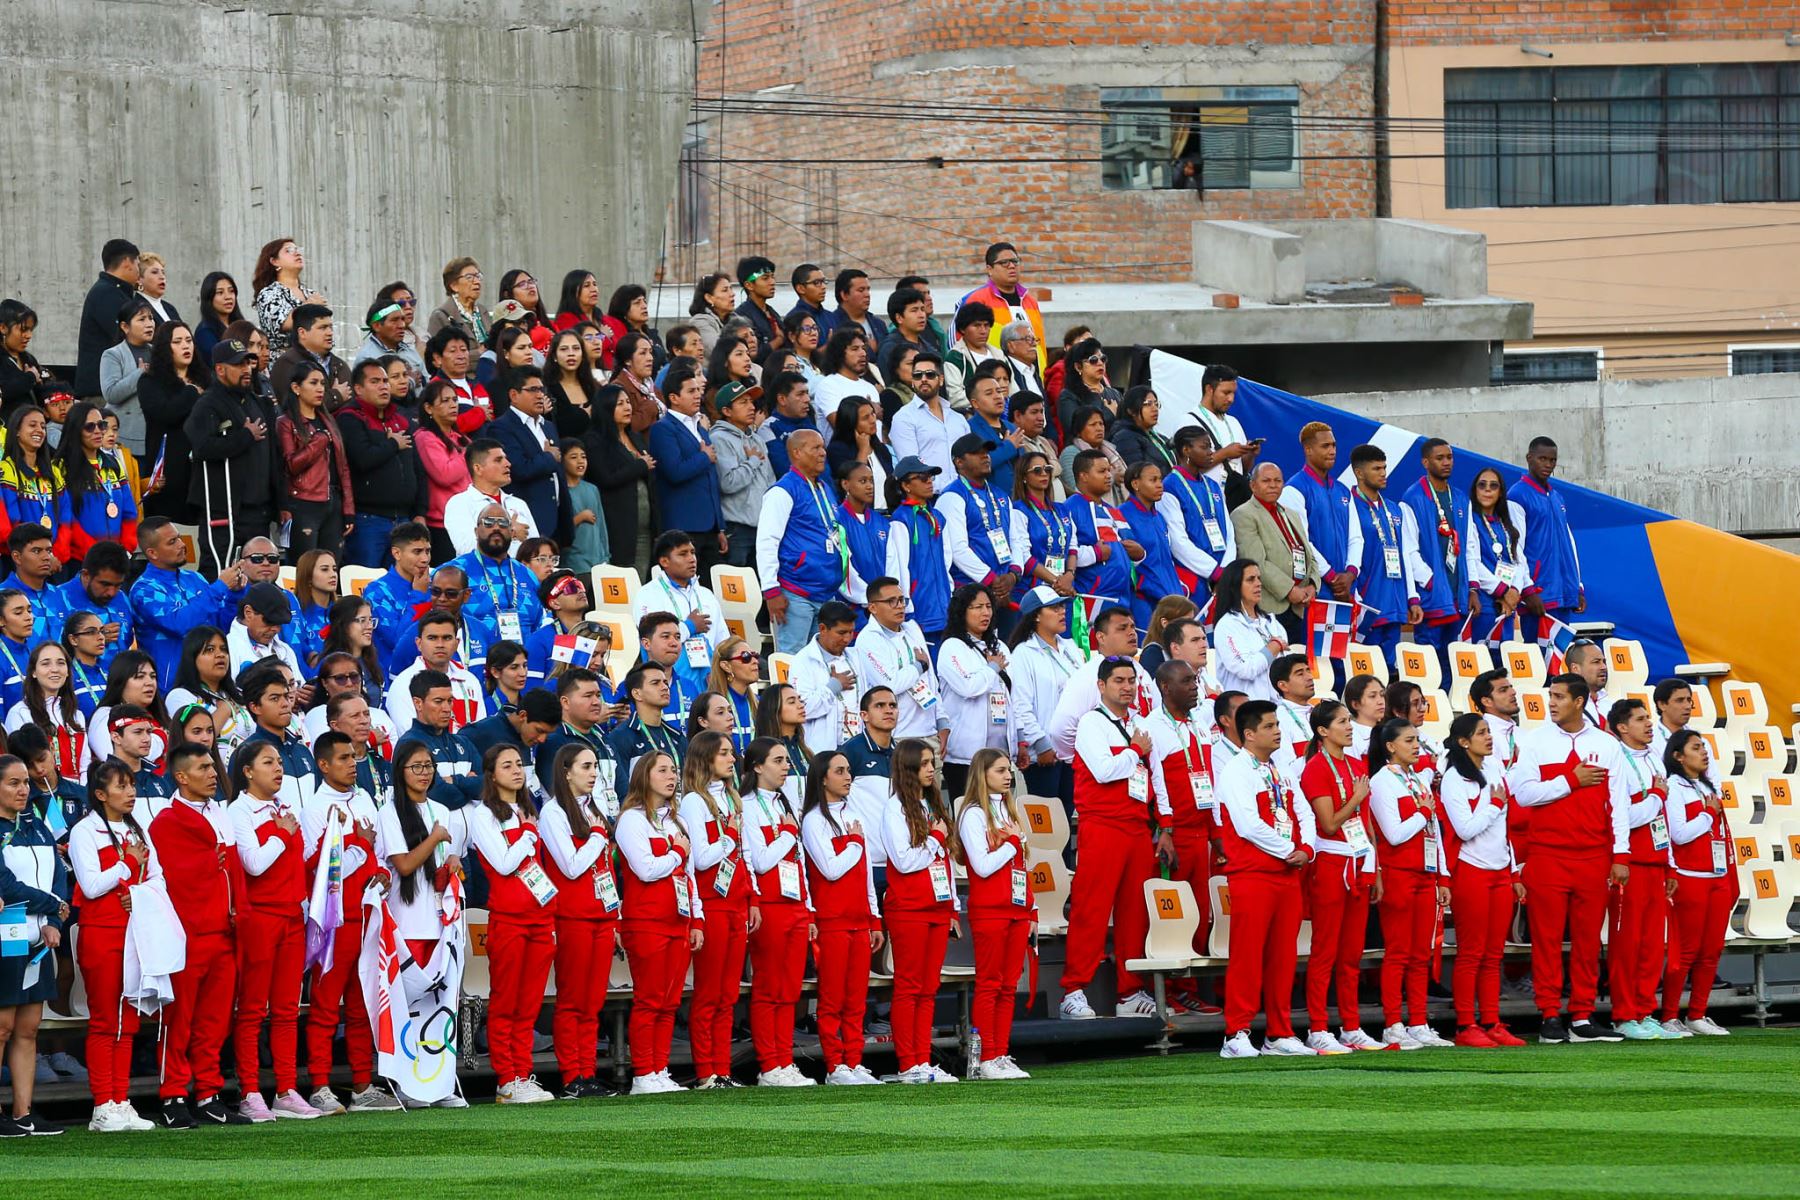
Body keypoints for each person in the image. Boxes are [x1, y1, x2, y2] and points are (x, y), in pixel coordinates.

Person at [1506, 673, 1631, 1044]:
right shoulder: (1534, 742)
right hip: (1547, 855)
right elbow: (1523, 794)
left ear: (1580, 701)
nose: (1552, 702)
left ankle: (1582, 1015)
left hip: (1594, 856)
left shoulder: (1607, 745)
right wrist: (1570, 781)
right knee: (1545, 939)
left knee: (1588, 940)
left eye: (1559, 696)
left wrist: (1620, 854)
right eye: (1551, 696)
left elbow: (1619, 804)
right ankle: (1548, 1015)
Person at [149, 742, 249, 1127]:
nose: (213, 773)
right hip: (187, 937)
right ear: (181, 776)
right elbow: (174, 877)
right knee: (179, 1021)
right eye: (204, 767)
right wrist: (213, 861)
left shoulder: (220, 812)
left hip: (224, 931)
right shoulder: (166, 821)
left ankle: (208, 1092)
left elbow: (232, 870)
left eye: (213, 766)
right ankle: (173, 1095)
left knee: (215, 1020)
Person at [1057, 657, 1159, 1021]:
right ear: (1101, 686)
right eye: (1119, 680)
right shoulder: (1091, 723)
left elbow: (1154, 775)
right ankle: (1073, 989)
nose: (1127, 687)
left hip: (1136, 826)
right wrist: (1134, 751)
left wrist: (1166, 823)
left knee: (1135, 912)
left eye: (1131, 680)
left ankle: (1129, 992)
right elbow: (1102, 771)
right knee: (1092, 909)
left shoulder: (1139, 723)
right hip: (1102, 825)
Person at [1215, 699, 1318, 1058]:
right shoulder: (1235, 772)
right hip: (1253, 874)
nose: (1278, 731)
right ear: (1249, 734)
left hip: (1287, 874)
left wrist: (1307, 848)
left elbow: (1303, 811)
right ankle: (1236, 1033)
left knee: (1283, 957)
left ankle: (1279, 1032)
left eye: (1278, 725)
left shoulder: (1282, 769)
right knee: (1247, 955)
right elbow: (1247, 825)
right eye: (1271, 726)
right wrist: (1292, 848)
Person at [68, 760, 161, 1132]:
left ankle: (121, 1100)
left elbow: (159, 878)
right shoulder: (84, 831)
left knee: (129, 1019)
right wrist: (126, 865)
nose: (131, 792)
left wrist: (137, 893)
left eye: (132, 785)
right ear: (100, 794)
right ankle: (102, 1104)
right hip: (102, 932)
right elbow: (90, 886)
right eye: (121, 786)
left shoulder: (139, 830)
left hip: (134, 933)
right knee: (106, 1020)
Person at [462, 743, 557, 1103]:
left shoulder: (528, 809)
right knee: (506, 1001)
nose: (516, 770)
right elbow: (502, 863)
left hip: (539, 916)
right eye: (507, 765)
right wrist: (529, 834)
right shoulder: (484, 815)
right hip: (509, 918)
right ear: (492, 774)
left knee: (530, 1002)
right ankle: (507, 1078)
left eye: (519, 764)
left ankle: (523, 1071)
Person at [1294, 700, 1382, 1052]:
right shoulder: (1315, 768)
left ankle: (1351, 1026)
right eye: (1342, 722)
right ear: (1322, 731)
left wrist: (1375, 869)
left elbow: (1367, 822)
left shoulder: (1356, 764)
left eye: (1349, 720)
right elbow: (1329, 824)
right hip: (1331, 864)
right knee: (1325, 951)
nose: (1349, 727)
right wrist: (1357, 795)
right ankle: (1318, 1027)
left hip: (1359, 863)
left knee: (1351, 954)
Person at [1436, 712, 1527, 1047]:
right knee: (1472, 952)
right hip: (1471, 870)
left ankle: (1491, 1021)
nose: (1489, 737)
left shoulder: (1494, 769)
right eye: (1481, 733)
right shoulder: (1453, 779)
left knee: (1494, 953)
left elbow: (1503, 827)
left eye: (1489, 732)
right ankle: (1464, 1025)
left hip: (1499, 870)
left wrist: (1514, 870)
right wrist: (1494, 804)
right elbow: (1464, 829)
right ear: (1463, 741)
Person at [613, 750, 701, 1094]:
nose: (672, 776)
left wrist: (697, 920)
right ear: (644, 776)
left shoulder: (677, 821)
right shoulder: (632, 820)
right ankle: (643, 1073)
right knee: (649, 999)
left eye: (674, 770)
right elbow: (646, 870)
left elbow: (689, 877)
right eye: (662, 770)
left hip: (678, 921)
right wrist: (678, 852)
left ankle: (659, 1068)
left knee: (670, 1000)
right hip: (647, 921)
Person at [535, 743, 618, 1099]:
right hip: (573, 915)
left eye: (595, 766)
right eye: (585, 767)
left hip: (601, 914)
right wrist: (598, 837)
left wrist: (615, 913)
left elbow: (606, 869)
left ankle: (588, 1070)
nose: (593, 773)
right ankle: (572, 1075)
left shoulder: (592, 809)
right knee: (572, 998)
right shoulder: (554, 813)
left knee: (594, 998)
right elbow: (570, 866)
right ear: (565, 771)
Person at [1365, 718, 1453, 1050]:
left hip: (1425, 876)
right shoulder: (1381, 782)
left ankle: (1418, 1021)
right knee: (1398, 953)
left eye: (1417, 740)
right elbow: (1394, 833)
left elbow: (1435, 834)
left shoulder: (1417, 779)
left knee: (1421, 954)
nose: (1416, 746)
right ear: (1390, 746)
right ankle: (1393, 1024)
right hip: (1399, 875)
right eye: (1409, 741)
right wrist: (1422, 812)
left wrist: (1442, 876)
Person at [1142, 659, 1222, 1017]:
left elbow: (1209, 780)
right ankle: (1171, 988)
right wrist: (1166, 830)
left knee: (1201, 915)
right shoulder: (1152, 728)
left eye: (1196, 679)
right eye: (1187, 680)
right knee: (1174, 915)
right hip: (1174, 835)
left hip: (1201, 831)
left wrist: (1217, 834)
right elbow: (1155, 785)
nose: (1195, 686)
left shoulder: (1200, 723)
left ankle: (1187, 987)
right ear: (1164, 686)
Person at [879, 738, 959, 1083]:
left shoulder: (931, 805)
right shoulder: (895, 808)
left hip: (937, 906)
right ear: (909, 769)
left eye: (932, 763)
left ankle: (922, 1060)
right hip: (909, 907)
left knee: (929, 987)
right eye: (924, 764)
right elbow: (905, 860)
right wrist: (936, 838)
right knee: (909, 985)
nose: (931, 769)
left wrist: (953, 905)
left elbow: (944, 863)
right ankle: (907, 1062)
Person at [801, 749, 884, 1085]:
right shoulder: (813, 820)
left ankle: (854, 1060)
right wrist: (853, 843)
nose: (848, 776)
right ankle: (835, 1066)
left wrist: (874, 917)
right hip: (832, 920)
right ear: (823, 778)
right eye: (840, 771)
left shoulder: (854, 815)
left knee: (856, 998)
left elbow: (864, 873)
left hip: (858, 920)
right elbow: (830, 869)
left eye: (849, 770)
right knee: (833, 998)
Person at [735, 739, 815, 1086]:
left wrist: (809, 909)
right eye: (778, 760)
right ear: (756, 767)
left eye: (786, 760)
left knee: (791, 988)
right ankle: (770, 1064)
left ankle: (785, 1060)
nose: (786, 766)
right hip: (768, 907)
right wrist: (786, 833)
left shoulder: (786, 803)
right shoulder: (747, 806)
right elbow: (762, 861)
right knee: (769, 987)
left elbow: (797, 862)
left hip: (796, 904)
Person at [0, 751, 71, 1136]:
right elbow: (5, 886)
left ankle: (22, 1112)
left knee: (28, 1028)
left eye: (25, 781)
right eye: (13, 783)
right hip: (5, 937)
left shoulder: (37, 825)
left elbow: (58, 872)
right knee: (2, 1026)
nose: (23, 789)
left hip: (39, 938)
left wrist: (53, 917)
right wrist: (54, 906)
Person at [677, 731, 752, 1088]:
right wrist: (728, 834)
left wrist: (751, 898)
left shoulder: (733, 799)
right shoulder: (694, 801)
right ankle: (706, 1071)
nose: (732, 759)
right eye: (725, 753)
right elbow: (702, 858)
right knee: (709, 993)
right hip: (712, 905)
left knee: (728, 993)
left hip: (736, 903)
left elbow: (743, 855)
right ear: (706, 757)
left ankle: (723, 1068)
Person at [1599, 698, 1672, 1041]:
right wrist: (1656, 797)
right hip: (1630, 864)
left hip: (1655, 862)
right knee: (1626, 944)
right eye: (1641, 719)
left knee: (1651, 945)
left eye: (1649, 719)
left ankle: (1645, 1010)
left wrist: (1670, 864)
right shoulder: (1619, 762)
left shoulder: (1654, 757)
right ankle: (1624, 1014)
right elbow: (1624, 817)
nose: (1649, 725)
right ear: (1622, 727)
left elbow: (1662, 820)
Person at [1658, 729, 1735, 1039]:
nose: (1704, 753)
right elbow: (1679, 834)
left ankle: (1698, 1014)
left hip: (1716, 876)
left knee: (1712, 950)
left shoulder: (1706, 787)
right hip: (1690, 877)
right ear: (1678, 756)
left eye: (1704, 747)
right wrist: (1708, 813)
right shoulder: (1674, 788)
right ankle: (1668, 1016)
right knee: (1685, 952)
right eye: (1696, 748)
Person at [186, 339, 282, 575]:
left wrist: (281, 503)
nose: (247, 369)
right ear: (220, 369)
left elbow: (274, 456)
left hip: (259, 511)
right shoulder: (208, 403)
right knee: (220, 570)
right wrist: (245, 437)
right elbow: (202, 447)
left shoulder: (257, 402)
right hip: (225, 511)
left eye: (248, 363)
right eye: (238, 365)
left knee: (257, 575)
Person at [756, 428, 848, 653]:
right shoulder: (782, 492)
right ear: (796, 453)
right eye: (815, 448)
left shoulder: (824, 487)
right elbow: (767, 541)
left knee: (821, 660)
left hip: (826, 593)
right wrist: (771, 590)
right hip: (795, 592)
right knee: (792, 659)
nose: (822, 453)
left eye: (823, 447)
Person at [337, 360, 421, 569]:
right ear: (358, 388)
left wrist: (420, 511)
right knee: (366, 582)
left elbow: (417, 469)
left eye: (385, 381)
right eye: (375, 381)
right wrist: (392, 444)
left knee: (401, 584)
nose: (383, 386)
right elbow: (362, 459)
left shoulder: (401, 420)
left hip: (403, 519)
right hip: (369, 520)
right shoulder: (350, 418)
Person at [1342, 444, 1422, 661]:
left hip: (1394, 601)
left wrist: (1412, 598)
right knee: (1365, 667)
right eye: (1376, 468)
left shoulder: (1394, 508)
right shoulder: (1349, 505)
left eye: (1384, 468)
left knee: (1389, 668)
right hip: (1368, 601)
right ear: (1359, 473)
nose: (1383, 474)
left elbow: (1404, 553)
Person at [853, 575, 951, 751]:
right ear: (873, 607)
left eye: (901, 600)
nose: (899, 606)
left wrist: (942, 721)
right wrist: (918, 667)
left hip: (929, 733)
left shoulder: (912, 629)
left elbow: (931, 680)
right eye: (891, 601)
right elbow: (889, 685)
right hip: (897, 736)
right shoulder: (867, 639)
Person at [936, 584, 1016, 800]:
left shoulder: (999, 647)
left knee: (1000, 820)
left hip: (1001, 754)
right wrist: (992, 669)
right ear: (962, 611)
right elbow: (968, 687)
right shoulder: (952, 647)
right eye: (977, 607)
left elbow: (1012, 696)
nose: (985, 613)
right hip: (965, 756)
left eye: (989, 606)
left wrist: (1021, 740)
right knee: (969, 817)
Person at [1230, 462, 1322, 644]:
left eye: (1278, 481)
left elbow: (1309, 554)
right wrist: (1289, 590)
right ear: (1253, 485)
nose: (1273, 485)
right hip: (1268, 605)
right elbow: (1255, 562)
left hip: (1299, 606)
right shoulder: (1243, 514)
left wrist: (1312, 584)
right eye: (1266, 481)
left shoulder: (1291, 514)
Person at [1398, 439, 1472, 659]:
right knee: (1431, 657)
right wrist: (1431, 581)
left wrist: (1472, 588)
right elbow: (1409, 549)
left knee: (1457, 659)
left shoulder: (1459, 497)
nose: (1446, 462)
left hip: (1459, 592)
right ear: (1425, 462)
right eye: (1440, 458)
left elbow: (1469, 546)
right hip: (1433, 595)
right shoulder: (1413, 497)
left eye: (1449, 457)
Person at [1005, 587, 1081, 799]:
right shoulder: (1023, 654)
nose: (1062, 611)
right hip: (1044, 755)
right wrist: (1041, 744)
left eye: (1062, 606)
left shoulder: (1070, 648)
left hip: (1073, 750)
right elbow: (1021, 706)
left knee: (1067, 815)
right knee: (1048, 824)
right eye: (1054, 607)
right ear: (1036, 615)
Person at [1513, 436, 1585, 635]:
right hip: (1539, 595)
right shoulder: (1517, 496)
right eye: (1542, 459)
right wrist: (1528, 590)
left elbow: (1568, 543)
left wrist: (1576, 586)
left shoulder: (1556, 497)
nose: (1548, 464)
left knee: (1559, 661)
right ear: (1529, 458)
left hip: (1563, 593)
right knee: (1539, 660)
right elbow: (1515, 548)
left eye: (1552, 460)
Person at [1278, 421, 1356, 600]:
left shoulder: (1342, 490)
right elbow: (1299, 540)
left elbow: (1355, 538)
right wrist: (1330, 576)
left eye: (1334, 445)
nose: (1332, 451)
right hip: (1316, 588)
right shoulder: (1294, 489)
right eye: (1325, 446)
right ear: (1308, 449)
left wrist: (1350, 574)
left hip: (1346, 587)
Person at [1159, 427, 1236, 607]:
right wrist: (1214, 571)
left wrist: (1226, 568)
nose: (1211, 452)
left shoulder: (1213, 485)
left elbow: (1229, 531)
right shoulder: (1170, 486)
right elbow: (1177, 541)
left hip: (1222, 575)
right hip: (1193, 576)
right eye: (1204, 447)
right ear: (1186, 450)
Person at [55, 400, 138, 556]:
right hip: (81, 558)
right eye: (89, 427)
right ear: (75, 430)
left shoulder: (114, 463)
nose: (98, 431)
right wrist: (94, 552)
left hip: (116, 557)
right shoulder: (60, 466)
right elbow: (66, 517)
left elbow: (129, 511)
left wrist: (126, 548)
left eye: (102, 425)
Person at [46, 541, 136, 670]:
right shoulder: (58, 599)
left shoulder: (121, 598)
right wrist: (92, 637)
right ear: (86, 575)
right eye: (105, 584)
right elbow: (50, 651)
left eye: (118, 585)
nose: (112, 592)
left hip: (119, 684)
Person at [888, 350, 969, 491]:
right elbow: (911, 465)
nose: (923, 379)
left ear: (941, 379)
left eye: (930, 374)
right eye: (918, 376)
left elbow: (969, 459)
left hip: (965, 494)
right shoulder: (903, 418)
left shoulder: (958, 419)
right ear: (913, 382)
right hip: (930, 496)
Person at [444, 439, 537, 560]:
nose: (508, 464)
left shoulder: (519, 504)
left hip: (519, 576)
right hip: (480, 576)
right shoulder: (459, 503)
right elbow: (466, 549)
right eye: (498, 460)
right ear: (478, 469)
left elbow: (536, 550)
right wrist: (510, 532)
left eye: (505, 458)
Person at [1467, 466, 1532, 638]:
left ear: (1501, 492)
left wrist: (1515, 591)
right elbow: (1472, 561)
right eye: (1482, 485)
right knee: (1483, 659)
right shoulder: (1469, 520)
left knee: (1503, 658)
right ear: (1475, 491)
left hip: (1507, 604)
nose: (1487, 489)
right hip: (1483, 604)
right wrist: (1502, 590)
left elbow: (1519, 561)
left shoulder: (1506, 524)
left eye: (1493, 486)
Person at [960, 243, 1044, 375]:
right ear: (990, 269)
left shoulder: (1030, 301)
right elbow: (960, 342)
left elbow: (1040, 343)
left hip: (1033, 375)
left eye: (1015, 261)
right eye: (1004, 263)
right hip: (995, 378)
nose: (1011, 266)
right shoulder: (976, 300)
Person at [1210, 559, 1287, 702]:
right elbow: (1245, 669)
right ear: (1234, 586)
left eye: (1259, 578)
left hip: (1278, 706)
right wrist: (1273, 647)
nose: (1258, 584)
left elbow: (1284, 666)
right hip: (1245, 710)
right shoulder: (1227, 625)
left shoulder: (1272, 623)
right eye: (1250, 580)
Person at [76, 239, 142, 399]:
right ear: (127, 262)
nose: (139, 271)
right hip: (103, 393)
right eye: (138, 265)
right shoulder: (106, 294)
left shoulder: (115, 292)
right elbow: (127, 335)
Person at [1185, 364, 1258, 505]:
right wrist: (1226, 453)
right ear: (1209, 389)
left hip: (1235, 500)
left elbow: (1242, 469)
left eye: (1233, 393)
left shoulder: (1234, 422)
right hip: (1205, 501)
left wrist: (1250, 454)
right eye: (1226, 393)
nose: (1231, 399)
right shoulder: (1189, 420)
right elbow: (1188, 467)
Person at [0, 406, 67, 552]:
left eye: (43, 426)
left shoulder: (54, 471)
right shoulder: (5, 470)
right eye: (32, 425)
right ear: (17, 431)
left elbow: (66, 519)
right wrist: (37, 554)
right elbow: (11, 522)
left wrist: (57, 554)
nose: (39, 430)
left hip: (56, 560)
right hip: (19, 559)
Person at [943, 302, 1002, 413]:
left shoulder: (999, 355)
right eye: (977, 325)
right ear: (963, 329)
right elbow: (955, 398)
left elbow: (1012, 387)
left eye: (986, 325)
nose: (983, 331)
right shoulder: (955, 358)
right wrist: (987, 402)